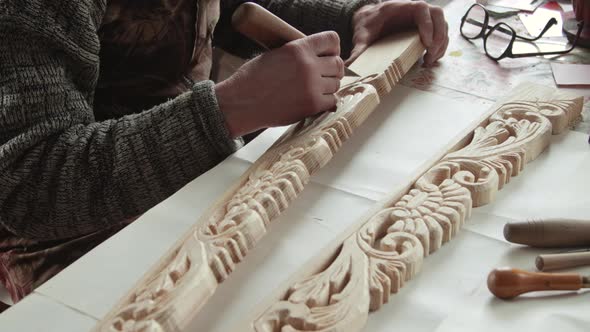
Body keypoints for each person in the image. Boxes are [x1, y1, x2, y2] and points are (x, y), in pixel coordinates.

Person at [0, 0, 448, 304]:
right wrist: (230, 109)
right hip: (58, 223)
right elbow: (34, 183)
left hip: (191, 146)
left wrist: (352, 18)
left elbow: (235, 7)